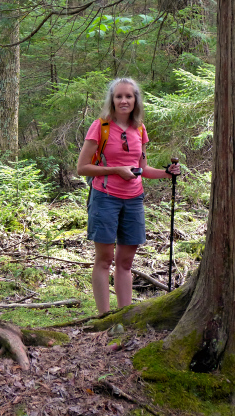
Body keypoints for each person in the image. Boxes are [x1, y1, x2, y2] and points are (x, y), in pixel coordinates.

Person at [77, 78, 181, 314]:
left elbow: (142, 169)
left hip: (134, 200)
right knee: (104, 261)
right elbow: (82, 168)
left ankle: (125, 317)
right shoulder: (101, 126)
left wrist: (167, 173)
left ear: (136, 100)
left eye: (129, 96)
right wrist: (115, 170)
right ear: (112, 100)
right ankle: (104, 317)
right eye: (119, 96)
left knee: (125, 263)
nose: (124, 101)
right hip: (104, 197)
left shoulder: (140, 129)